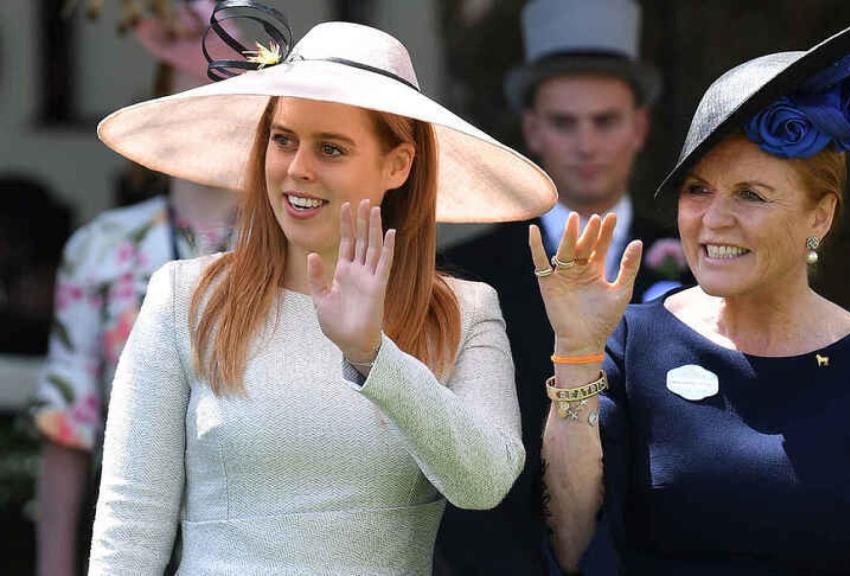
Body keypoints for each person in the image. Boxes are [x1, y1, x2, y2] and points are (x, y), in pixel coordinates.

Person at [86, 2, 555, 574]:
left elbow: (483, 484)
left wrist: (373, 356)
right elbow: (130, 524)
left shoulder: (462, 311)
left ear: (398, 164)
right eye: (284, 140)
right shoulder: (186, 298)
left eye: (331, 149)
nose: (298, 168)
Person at [536, 8, 850, 575]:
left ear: (820, 217)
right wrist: (576, 356)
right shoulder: (634, 339)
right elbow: (573, 547)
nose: (714, 219)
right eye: (698, 188)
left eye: (751, 194)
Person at [436, 1, 684, 572]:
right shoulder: (464, 273)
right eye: (564, 122)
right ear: (532, 129)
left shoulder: (697, 265)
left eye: (606, 120)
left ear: (639, 126)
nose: (586, 144)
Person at [32, 3, 237, 574]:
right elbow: (69, 423)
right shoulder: (102, 246)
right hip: (132, 518)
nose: (203, 106)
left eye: (221, 93)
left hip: (254, 517)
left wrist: (215, 37)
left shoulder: (292, 243)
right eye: (187, 90)